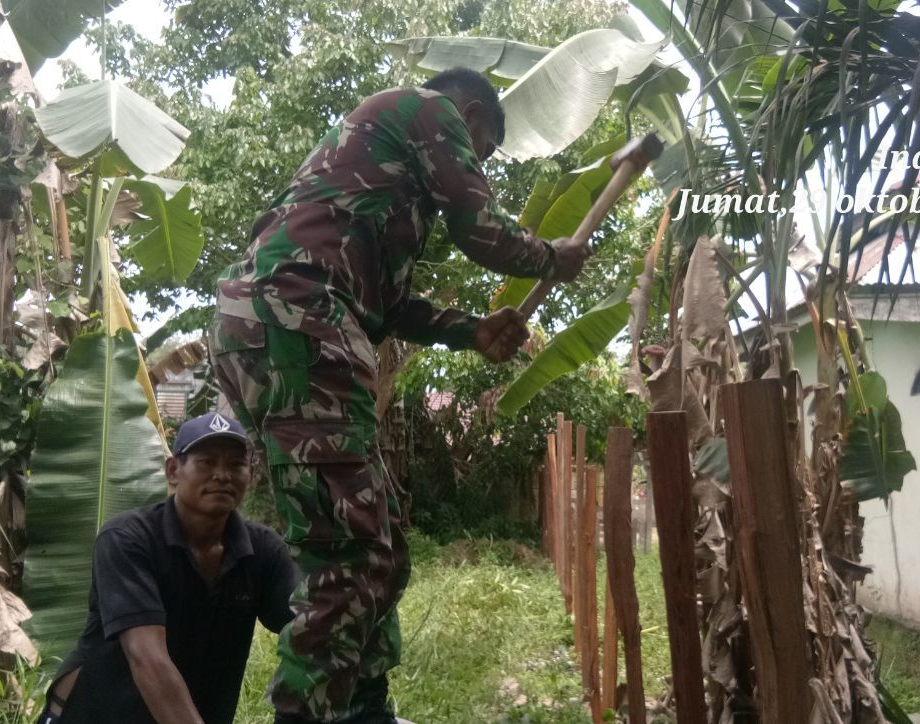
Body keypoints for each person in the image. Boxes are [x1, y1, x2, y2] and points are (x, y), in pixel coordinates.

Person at [209, 67, 589, 723]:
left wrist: (471, 331)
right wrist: (551, 257)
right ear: (470, 113)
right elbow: (481, 230)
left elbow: (386, 306)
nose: (476, 162)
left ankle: (362, 708)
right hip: (300, 320)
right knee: (351, 554)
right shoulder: (429, 107)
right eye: (484, 148)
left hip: (291, 324)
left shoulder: (378, 191)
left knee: (380, 545)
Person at [37, 412, 298, 724]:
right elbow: (147, 658)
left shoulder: (263, 551)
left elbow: (307, 630)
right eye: (207, 462)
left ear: (250, 475)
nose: (222, 474)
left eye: (235, 464)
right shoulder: (127, 539)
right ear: (173, 471)